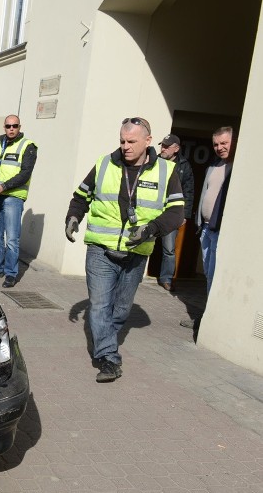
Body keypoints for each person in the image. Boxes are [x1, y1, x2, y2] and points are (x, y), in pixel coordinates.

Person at [65, 117, 184, 382]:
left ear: (148, 141)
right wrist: (73, 216)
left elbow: (177, 212)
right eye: (122, 140)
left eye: (131, 141)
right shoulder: (105, 164)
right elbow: (80, 196)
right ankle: (108, 358)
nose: (125, 146)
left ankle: (105, 339)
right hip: (100, 248)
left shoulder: (166, 171)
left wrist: (151, 229)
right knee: (98, 305)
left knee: (120, 309)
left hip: (137, 251)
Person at [180, 127, 235, 329]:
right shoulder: (214, 165)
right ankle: (205, 317)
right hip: (206, 229)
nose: (219, 148)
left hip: (220, 230)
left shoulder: (237, 168)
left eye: (224, 143)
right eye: (216, 144)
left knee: (214, 275)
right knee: (208, 275)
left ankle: (208, 322)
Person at [0, 115, 38, 288]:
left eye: (15, 126)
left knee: (12, 238)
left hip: (14, 196)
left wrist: (4, 186)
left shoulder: (28, 146)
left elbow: (25, 173)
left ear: (19, 126)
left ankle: (11, 273)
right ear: (4, 127)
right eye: (8, 126)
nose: (11, 129)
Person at [155, 134, 195, 291]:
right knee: (142, 244)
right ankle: (135, 275)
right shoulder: (154, 161)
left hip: (171, 213)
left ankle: (166, 279)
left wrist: (184, 214)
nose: (163, 148)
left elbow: (189, 191)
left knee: (169, 249)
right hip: (151, 210)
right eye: (162, 145)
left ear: (176, 149)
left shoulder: (184, 166)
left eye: (167, 146)